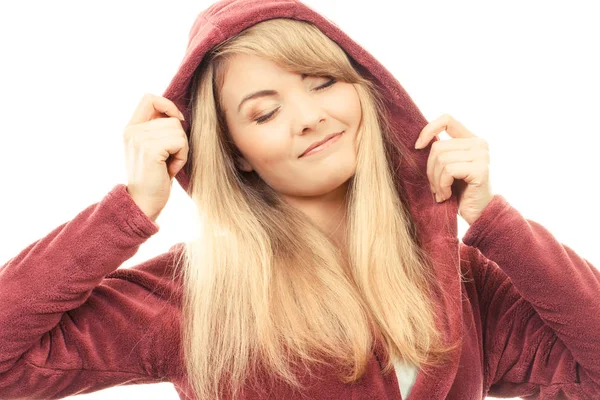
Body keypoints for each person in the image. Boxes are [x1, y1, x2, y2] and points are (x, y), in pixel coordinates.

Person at [1, 0, 599, 399]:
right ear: (234, 151)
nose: (310, 118)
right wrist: (128, 211)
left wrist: (494, 220)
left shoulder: (462, 281)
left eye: (323, 83)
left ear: (369, 95)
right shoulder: (196, 299)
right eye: (264, 111)